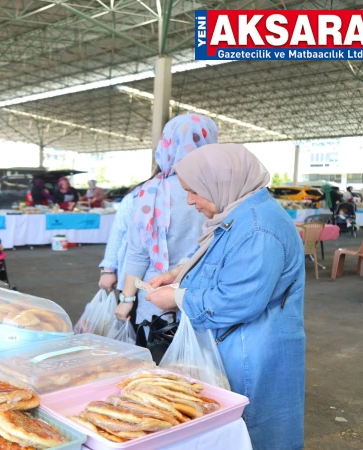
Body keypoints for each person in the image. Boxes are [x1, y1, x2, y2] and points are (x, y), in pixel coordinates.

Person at [145, 144, 305, 449]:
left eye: (194, 191)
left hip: (252, 351)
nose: (190, 201)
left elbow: (239, 299)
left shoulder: (258, 227)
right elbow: (225, 262)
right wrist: (180, 272)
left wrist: (177, 298)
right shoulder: (239, 214)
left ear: (219, 184)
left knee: (254, 427)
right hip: (234, 343)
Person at [114, 114, 215, 327]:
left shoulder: (151, 191)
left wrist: (127, 299)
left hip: (155, 298)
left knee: (154, 358)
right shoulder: (223, 189)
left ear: (166, 144)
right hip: (206, 297)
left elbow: (138, 252)